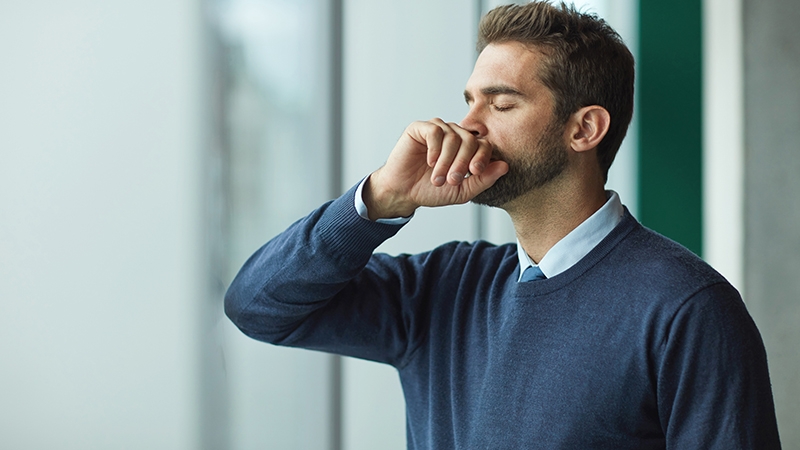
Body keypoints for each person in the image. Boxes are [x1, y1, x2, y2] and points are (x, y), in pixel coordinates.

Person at [225, 2, 781, 449]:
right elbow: (256, 305)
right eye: (469, 100)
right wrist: (378, 199)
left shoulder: (688, 307)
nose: (466, 125)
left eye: (501, 103)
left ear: (584, 128)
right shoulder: (444, 287)